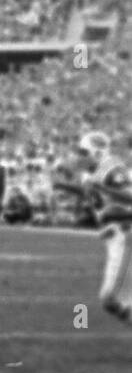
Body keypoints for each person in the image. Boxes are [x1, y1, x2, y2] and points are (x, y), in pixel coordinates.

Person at [73, 131, 132, 325]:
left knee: (110, 297)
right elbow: (92, 193)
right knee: (116, 300)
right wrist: (64, 187)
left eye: (84, 152)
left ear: (97, 152)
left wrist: (102, 188)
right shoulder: (89, 174)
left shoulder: (112, 168)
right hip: (113, 237)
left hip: (124, 232)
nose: (80, 156)